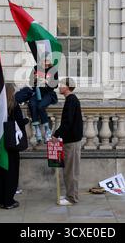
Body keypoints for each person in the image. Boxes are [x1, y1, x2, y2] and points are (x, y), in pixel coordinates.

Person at [0, 83, 28, 209]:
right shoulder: (14, 105)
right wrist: (26, 121)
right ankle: (8, 201)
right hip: (11, 144)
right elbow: (18, 124)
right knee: (11, 172)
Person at [52, 78, 83, 206]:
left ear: (67, 87)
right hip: (71, 140)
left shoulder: (71, 100)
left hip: (72, 142)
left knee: (70, 171)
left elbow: (67, 122)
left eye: (61, 85)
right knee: (70, 170)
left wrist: (56, 134)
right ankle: (71, 195)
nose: (59, 87)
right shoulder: (71, 100)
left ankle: (71, 198)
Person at [15, 55, 58, 144]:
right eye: (43, 60)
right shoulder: (36, 68)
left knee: (41, 106)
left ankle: (47, 130)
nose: (45, 61)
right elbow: (31, 83)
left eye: (47, 59)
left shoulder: (53, 69)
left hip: (48, 93)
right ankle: (37, 129)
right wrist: (35, 79)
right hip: (37, 93)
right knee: (32, 104)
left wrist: (46, 81)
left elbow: (55, 85)